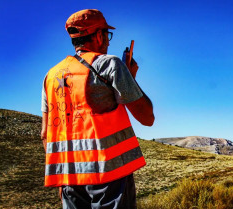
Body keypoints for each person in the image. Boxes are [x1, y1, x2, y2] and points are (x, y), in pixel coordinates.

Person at [40, 9, 154, 208]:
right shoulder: (110, 65)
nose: (108, 42)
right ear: (99, 35)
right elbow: (147, 117)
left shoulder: (51, 76)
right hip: (110, 175)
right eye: (107, 35)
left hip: (70, 178)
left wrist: (61, 178)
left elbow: (45, 134)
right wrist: (131, 78)